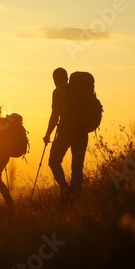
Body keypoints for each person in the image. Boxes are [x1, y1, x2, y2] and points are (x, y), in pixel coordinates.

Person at [43, 68, 89, 208]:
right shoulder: (79, 91)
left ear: (54, 78)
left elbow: (54, 116)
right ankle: (75, 200)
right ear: (67, 77)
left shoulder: (58, 92)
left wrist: (47, 134)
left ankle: (64, 188)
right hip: (82, 133)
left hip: (65, 132)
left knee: (54, 161)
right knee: (77, 167)